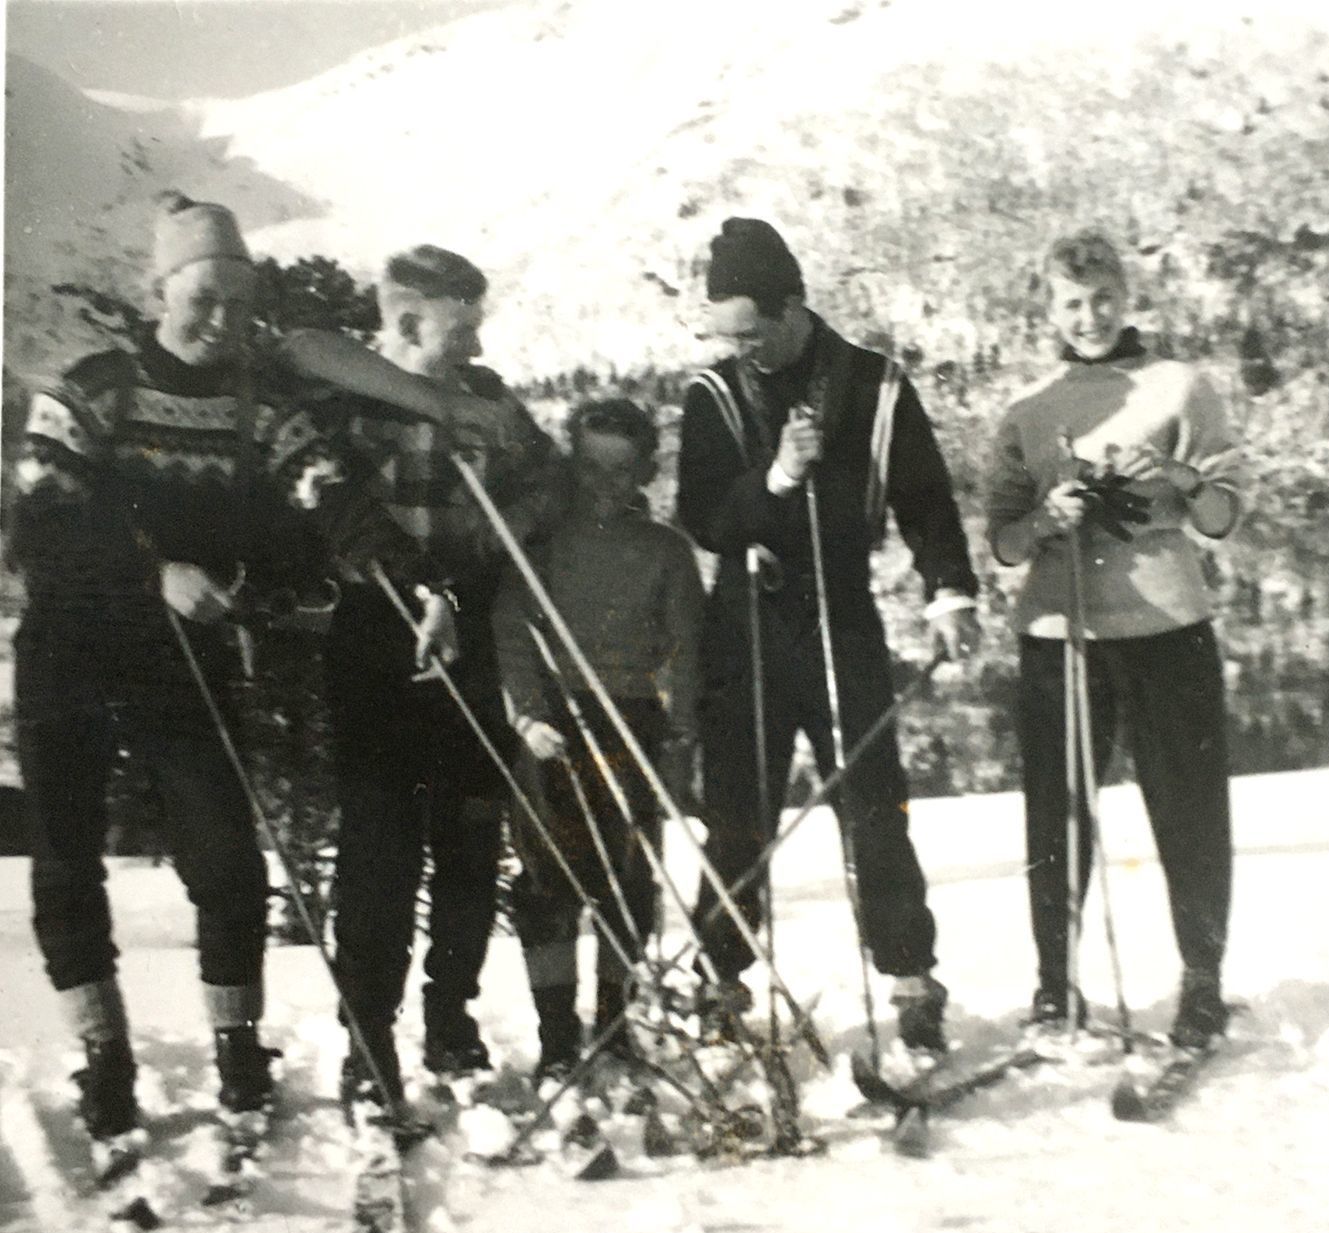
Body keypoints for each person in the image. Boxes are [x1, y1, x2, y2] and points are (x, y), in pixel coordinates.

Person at [5, 193, 476, 1152]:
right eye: (201, 297)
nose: (219, 319)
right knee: (65, 860)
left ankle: (236, 1053)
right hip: (69, 647)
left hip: (184, 657)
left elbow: (335, 502)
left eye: (235, 298)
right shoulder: (91, 388)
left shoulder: (260, 408)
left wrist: (422, 584)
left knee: (223, 861)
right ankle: (105, 1061)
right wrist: (155, 572)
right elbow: (42, 522)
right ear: (158, 291)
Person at [675, 217, 980, 1054]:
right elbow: (699, 516)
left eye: (752, 333)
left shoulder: (875, 388)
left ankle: (912, 979)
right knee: (738, 816)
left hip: (839, 614)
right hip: (744, 622)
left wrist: (949, 590)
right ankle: (720, 980)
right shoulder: (711, 395)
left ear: (794, 306)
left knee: (873, 807)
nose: (739, 350)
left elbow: (925, 499)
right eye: (724, 335)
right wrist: (772, 480)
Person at [284, 244, 561, 1107]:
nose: (475, 345)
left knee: (472, 846)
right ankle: (369, 1043)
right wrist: (419, 583)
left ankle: (451, 1022)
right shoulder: (331, 402)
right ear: (405, 321)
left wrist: (483, 545)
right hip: (376, 637)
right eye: (460, 327)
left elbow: (549, 477)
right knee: (380, 852)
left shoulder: (487, 399)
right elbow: (333, 499)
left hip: (469, 633)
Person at [985, 230, 1245, 1049]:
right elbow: (1001, 540)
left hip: (1168, 626)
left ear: (1126, 298)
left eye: (1102, 300)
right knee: (1056, 818)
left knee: (1190, 808)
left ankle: (1201, 982)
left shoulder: (1181, 387)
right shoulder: (1028, 410)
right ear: (1047, 309)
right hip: (1060, 633)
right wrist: (1043, 520)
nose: (1089, 317)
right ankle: (1055, 989)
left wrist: (1181, 479)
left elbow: (1224, 515)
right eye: (1070, 303)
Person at [494, 397, 703, 1084]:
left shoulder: (667, 551)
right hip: (555, 722)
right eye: (590, 469)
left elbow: (685, 654)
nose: (605, 486)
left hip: (631, 721)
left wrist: (677, 739)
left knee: (628, 879)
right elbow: (512, 631)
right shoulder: (543, 545)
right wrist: (527, 714)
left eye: (621, 471)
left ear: (646, 470)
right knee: (548, 883)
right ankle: (559, 1038)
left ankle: (614, 1028)